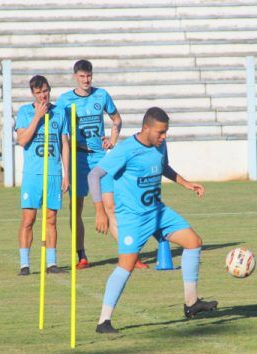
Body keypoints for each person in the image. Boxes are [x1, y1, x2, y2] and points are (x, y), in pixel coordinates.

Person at [87, 107, 218, 333]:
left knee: (193, 242)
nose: (164, 137)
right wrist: (100, 210)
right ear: (145, 128)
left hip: (158, 212)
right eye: (160, 132)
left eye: (166, 132)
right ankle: (103, 321)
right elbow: (94, 175)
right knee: (126, 266)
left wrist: (185, 183)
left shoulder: (160, 145)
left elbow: (163, 167)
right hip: (133, 218)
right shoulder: (126, 149)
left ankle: (191, 303)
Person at [56, 59, 149, 269]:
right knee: (76, 207)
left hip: (100, 157)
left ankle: (129, 256)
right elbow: (60, 131)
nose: (86, 80)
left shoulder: (101, 95)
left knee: (110, 205)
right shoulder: (64, 100)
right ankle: (81, 255)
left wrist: (112, 140)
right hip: (78, 158)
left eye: (89, 76)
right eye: (82, 76)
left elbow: (117, 119)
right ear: (75, 77)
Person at [16, 75, 69, 275]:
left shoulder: (60, 113)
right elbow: (22, 141)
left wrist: (67, 174)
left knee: (51, 219)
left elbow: (64, 144)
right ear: (33, 94)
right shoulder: (24, 113)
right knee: (28, 219)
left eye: (45, 91)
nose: (43, 95)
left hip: (53, 174)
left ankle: (51, 263)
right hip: (33, 174)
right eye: (38, 93)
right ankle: (24, 264)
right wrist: (38, 117)